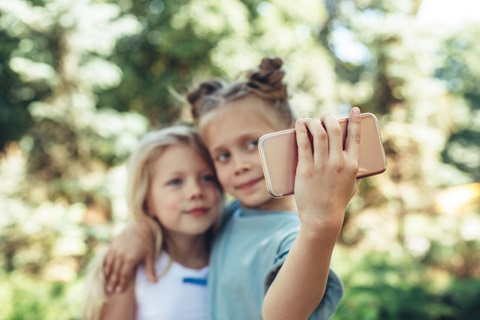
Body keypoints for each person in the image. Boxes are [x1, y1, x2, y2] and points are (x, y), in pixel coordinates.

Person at [103, 57, 362, 319]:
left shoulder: (297, 235)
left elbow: (282, 316)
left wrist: (321, 225)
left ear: (291, 139)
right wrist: (139, 230)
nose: (239, 165)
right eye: (223, 156)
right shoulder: (229, 217)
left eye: (251, 144)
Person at [83, 125, 224, 320]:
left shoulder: (232, 249)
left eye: (207, 178)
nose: (196, 191)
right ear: (147, 201)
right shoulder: (129, 266)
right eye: (175, 182)